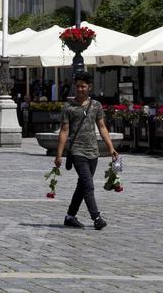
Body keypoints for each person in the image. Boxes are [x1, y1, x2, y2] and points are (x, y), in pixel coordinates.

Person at [54, 73, 117, 230]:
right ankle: (96, 217)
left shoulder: (96, 105)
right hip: (77, 151)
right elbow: (64, 131)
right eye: (78, 86)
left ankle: (70, 216)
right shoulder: (68, 107)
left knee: (82, 185)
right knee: (88, 185)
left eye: (83, 86)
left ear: (89, 87)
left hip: (93, 152)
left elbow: (102, 127)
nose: (80, 89)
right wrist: (59, 154)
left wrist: (111, 148)